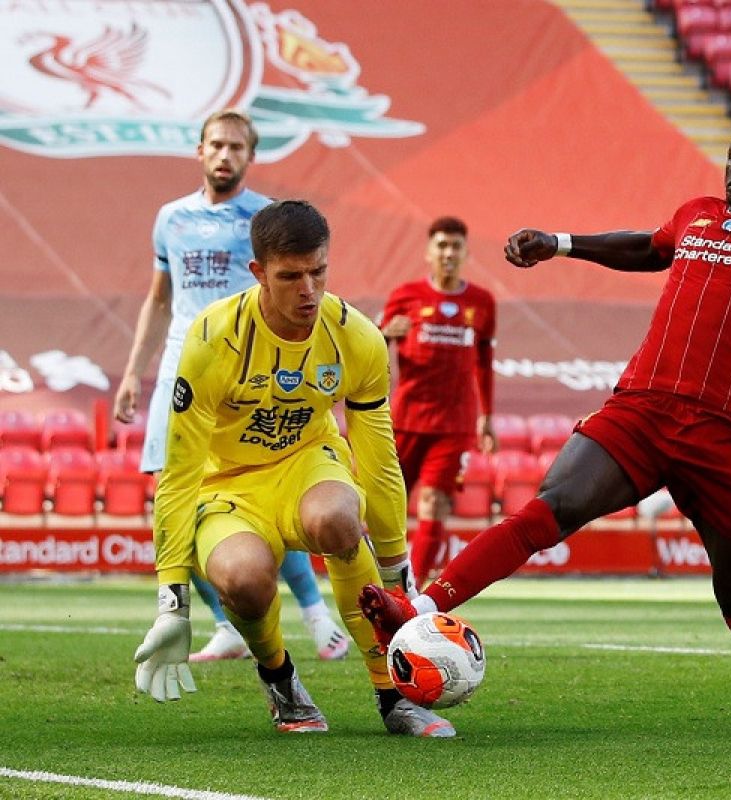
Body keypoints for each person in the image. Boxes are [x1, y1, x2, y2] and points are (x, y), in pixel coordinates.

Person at [358, 117, 731, 726]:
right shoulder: (697, 215)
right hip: (641, 407)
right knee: (547, 509)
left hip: (726, 436)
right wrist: (559, 243)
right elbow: (646, 248)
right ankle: (421, 606)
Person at [131, 200, 454, 737]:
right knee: (243, 579)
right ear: (258, 273)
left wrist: (399, 568)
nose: (308, 290)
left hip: (307, 463)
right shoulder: (214, 340)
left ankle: (393, 694)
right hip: (224, 486)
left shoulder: (357, 338)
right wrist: (173, 602)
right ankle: (280, 679)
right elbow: (180, 471)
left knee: (338, 518)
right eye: (290, 276)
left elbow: (377, 457)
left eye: (318, 272)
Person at [112, 109, 349, 664]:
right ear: (200, 151)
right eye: (216, 144)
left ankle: (315, 612)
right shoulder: (170, 217)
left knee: (260, 493)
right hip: (181, 371)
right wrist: (132, 372)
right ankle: (228, 624)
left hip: (247, 374)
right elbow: (160, 299)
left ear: (250, 156)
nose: (225, 155)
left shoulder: (263, 220)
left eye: (236, 147)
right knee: (177, 503)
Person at [380, 216, 497, 589]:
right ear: (429, 252)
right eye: (442, 246)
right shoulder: (405, 296)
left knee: (434, 505)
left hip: (455, 424)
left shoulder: (482, 302)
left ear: (466, 253)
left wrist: (487, 417)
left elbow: (484, 363)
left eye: (455, 246)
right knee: (387, 508)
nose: (448, 253)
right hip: (406, 419)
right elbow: (371, 353)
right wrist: (383, 335)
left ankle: (408, 594)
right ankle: (379, 583)